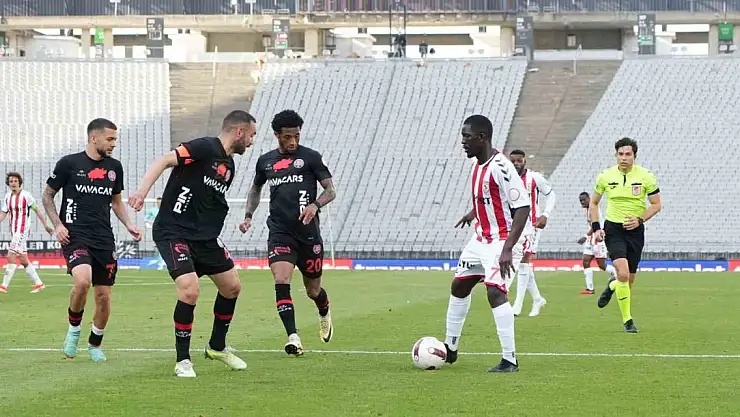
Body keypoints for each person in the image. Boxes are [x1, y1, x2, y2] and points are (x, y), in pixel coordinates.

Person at [129, 110, 257, 378]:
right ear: (239, 132)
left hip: (204, 238)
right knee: (189, 290)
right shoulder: (204, 147)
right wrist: (142, 192)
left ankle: (217, 347)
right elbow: (165, 160)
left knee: (232, 287)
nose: (252, 142)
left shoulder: (229, 166)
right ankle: (183, 360)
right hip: (174, 231)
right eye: (251, 135)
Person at [42, 118, 142, 362]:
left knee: (103, 297)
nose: (114, 144)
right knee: (82, 281)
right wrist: (58, 225)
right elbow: (47, 196)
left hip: (104, 239)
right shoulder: (68, 164)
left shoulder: (115, 167)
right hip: (75, 235)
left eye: (115, 139)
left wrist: (129, 224)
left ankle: (94, 344)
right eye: (110, 139)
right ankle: (73, 331)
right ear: (93, 138)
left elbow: (116, 202)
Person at [240, 110, 336, 356]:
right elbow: (255, 189)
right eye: (287, 137)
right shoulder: (265, 162)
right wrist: (248, 216)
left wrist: (315, 205)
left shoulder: (311, 157)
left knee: (313, 291)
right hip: (280, 232)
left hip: (308, 235)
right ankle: (293, 337)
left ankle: (324, 311)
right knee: (281, 280)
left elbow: (330, 191)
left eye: (297, 136)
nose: (293, 141)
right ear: (277, 135)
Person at [443, 115, 530, 373]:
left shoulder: (502, 167)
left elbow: (523, 207)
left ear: (482, 137)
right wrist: (473, 214)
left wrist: (507, 249)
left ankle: (509, 359)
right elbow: (488, 197)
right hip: (481, 237)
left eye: (467, 137)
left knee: (494, 292)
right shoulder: (476, 164)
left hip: (504, 239)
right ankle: (450, 347)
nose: (463, 142)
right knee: (459, 286)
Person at [590, 137, 661, 333]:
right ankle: (628, 321)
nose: (623, 158)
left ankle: (613, 286)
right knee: (622, 273)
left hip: (635, 231)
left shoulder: (646, 176)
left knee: (628, 281)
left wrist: (640, 219)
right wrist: (596, 228)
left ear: (634, 156)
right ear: (616, 155)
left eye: (627, 154)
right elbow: (593, 203)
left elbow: (656, 204)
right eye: (620, 154)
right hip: (613, 229)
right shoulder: (605, 176)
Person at [508, 149, 556, 317]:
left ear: (524, 162)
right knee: (523, 263)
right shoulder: (506, 179)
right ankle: (537, 299)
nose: (516, 164)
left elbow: (551, 195)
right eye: (513, 161)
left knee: (523, 261)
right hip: (514, 226)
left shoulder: (534, 178)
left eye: (519, 161)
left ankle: (518, 304)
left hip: (532, 225)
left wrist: (545, 215)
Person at [0, 172, 54, 293]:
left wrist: (46, 225)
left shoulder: (26, 196)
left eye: (15, 181)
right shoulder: (7, 197)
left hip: (22, 230)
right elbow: (3, 213)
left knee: (10, 256)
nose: (13, 183)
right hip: (14, 231)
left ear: (19, 182)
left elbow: (37, 210)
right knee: (23, 260)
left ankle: (3, 286)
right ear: (8, 184)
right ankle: (39, 284)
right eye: (11, 181)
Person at [577, 191, 616, 294]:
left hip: (598, 238)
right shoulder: (588, 209)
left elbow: (595, 225)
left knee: (601, 265)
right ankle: (590, 288)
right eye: (580, 201)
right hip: (591, 239)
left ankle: (618, 276)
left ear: (589, 199)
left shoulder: (594, 209)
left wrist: (585, 236)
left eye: (584, 200)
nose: (582, 202)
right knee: (586, 261)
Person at [144, 197, 165, 270]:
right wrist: (147, 224)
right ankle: (160, 264)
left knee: (165, 247)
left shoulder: (166, 210)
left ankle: (164, 263)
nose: (159, 203)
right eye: (158, 202)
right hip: (157, 231)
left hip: (167, 231)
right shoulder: (153, 210)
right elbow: (146, 218)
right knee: (160, 248)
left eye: (160, 202)